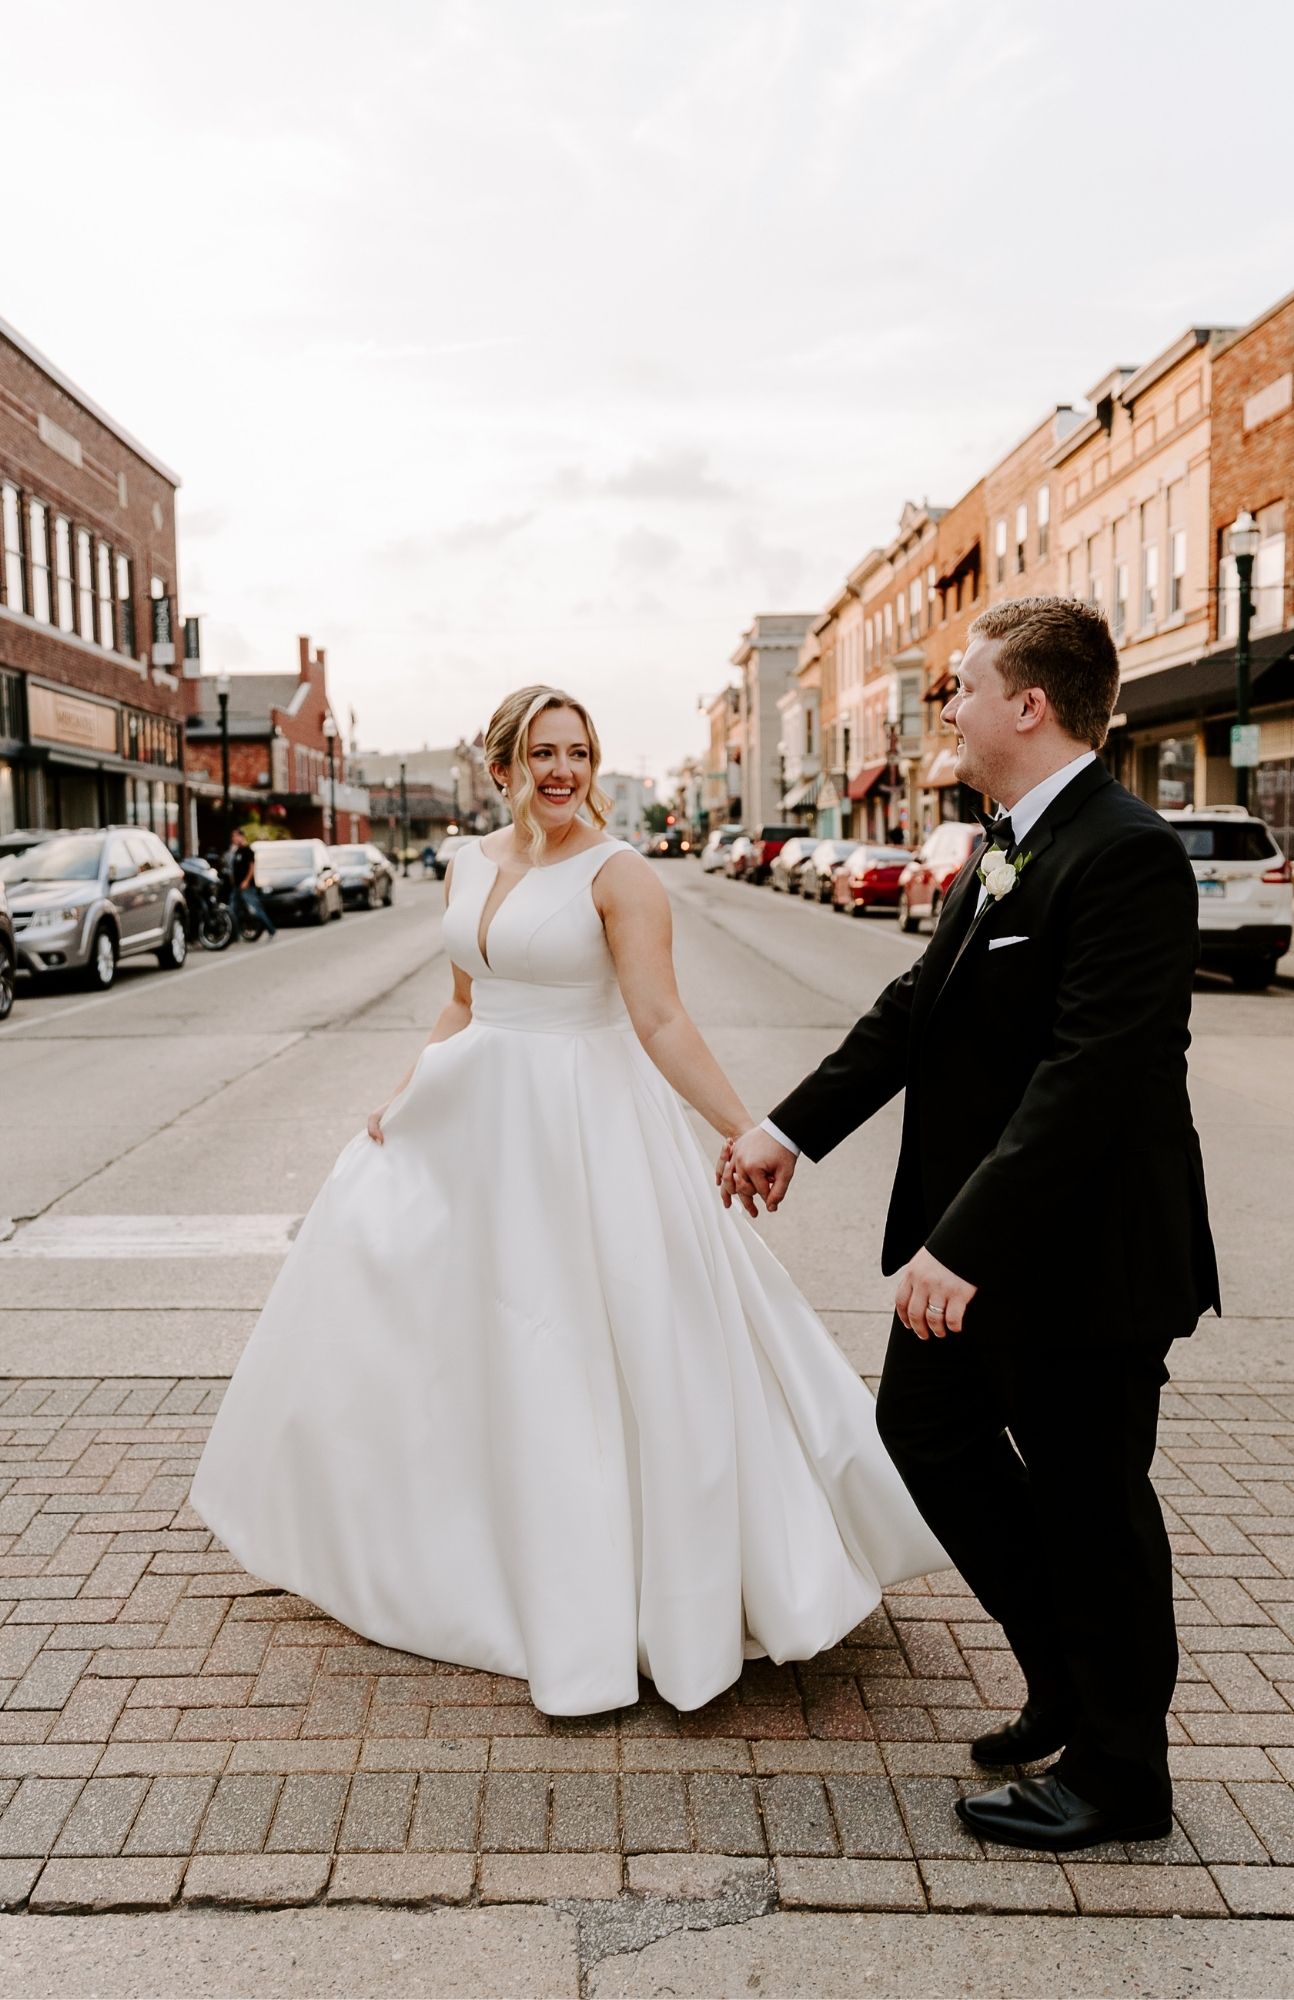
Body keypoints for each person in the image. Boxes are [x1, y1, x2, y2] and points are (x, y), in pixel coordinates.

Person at [189, 685, 944, 1718]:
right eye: (541, 752)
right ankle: (443, 1554)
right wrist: (405, 1098)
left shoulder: (621, 876)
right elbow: (460, 999)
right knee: (443, 1321)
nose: (561, 770)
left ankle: (628, 1593)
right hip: (476, 1124)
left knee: (586, 1344)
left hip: (587, 1128)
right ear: (502, 763)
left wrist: (747, 1127)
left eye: (578, 752)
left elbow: (662, 1019)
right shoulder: (471, 861)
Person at [723, 597, 1219, 1852]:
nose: (946, 707)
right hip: (985, 1247)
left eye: (963, 687)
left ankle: (1120, 1773)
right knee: (924, 1430)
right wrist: (790, 1129)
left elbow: (1090, 1074)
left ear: (1029, 704)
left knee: (1091, 1499)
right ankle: (1062, 1674)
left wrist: (964, 1242)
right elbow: (914, 1009)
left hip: (1081, 1258)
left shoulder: (1124, 852)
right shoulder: (1007, 841)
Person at [227, 829, 277, 939]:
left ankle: (270, 929)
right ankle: (234, 935)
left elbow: (251, 867)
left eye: (235, 836)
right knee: (233, 909)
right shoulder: (236, 851)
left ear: (241, 837)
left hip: (247, 887)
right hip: (236, 887)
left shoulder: (248, 850)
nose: (233, 839)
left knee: (256, 908)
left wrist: (246, 881)